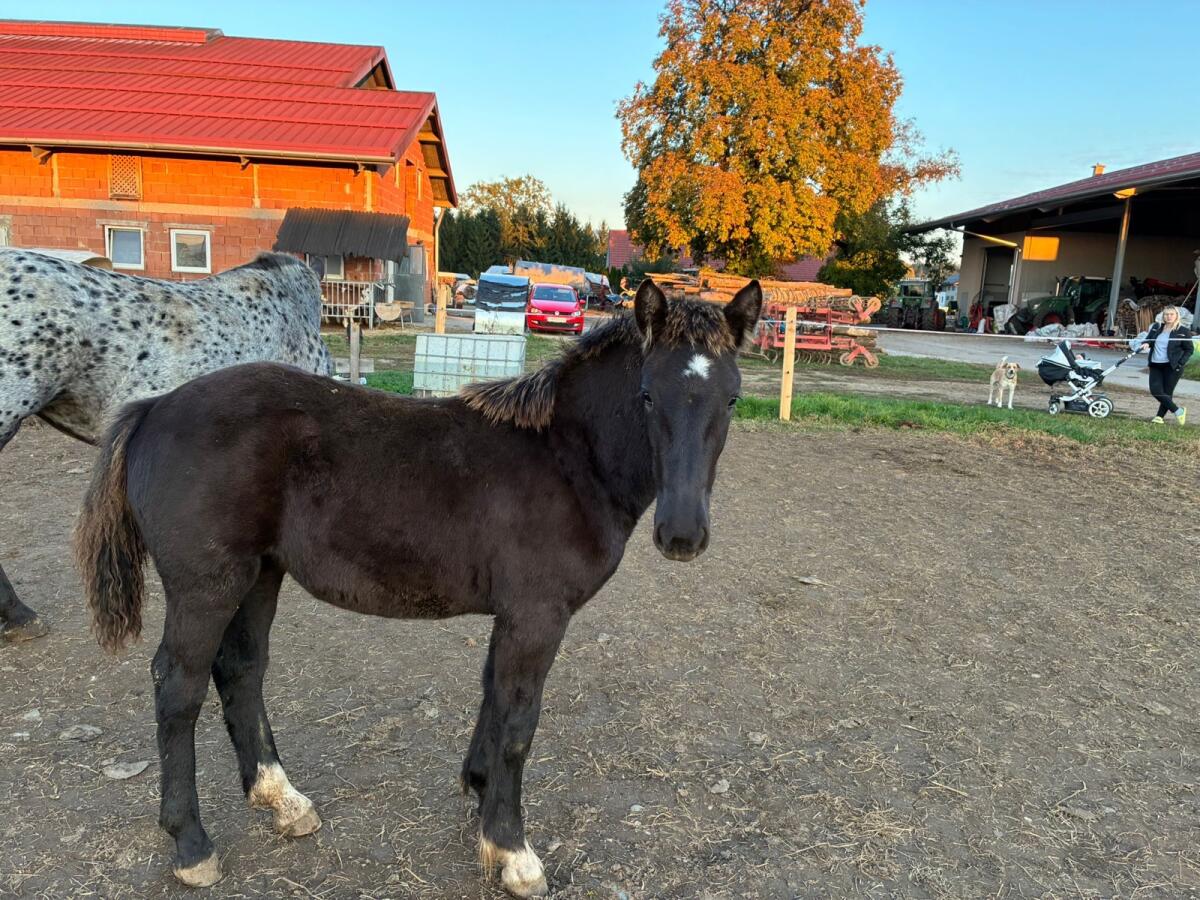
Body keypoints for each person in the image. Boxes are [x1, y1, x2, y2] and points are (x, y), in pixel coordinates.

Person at [1133, 306, 1193, 424]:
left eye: (1171, 314)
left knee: (1167, 393)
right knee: (1156, 390)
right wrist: (1146, 344)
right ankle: (1178, 411)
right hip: (1155, 364)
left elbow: (1189, 350)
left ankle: (1159, 417)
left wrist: (1180, 363)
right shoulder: (1157, 327)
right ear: (1163, 316)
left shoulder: (1183, 331)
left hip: (1172, 366)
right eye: (1166, 314)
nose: (1169, 317)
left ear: (1176, 316)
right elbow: (1149, 340)